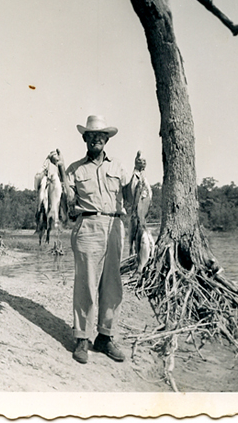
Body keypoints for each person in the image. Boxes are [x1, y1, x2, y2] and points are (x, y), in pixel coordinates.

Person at [53, 115, 146, 364]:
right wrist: (60, 167)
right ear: (85, 139)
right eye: (92, 136)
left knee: (113, 284)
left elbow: (130, 196)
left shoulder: (119, 168)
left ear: (107, 140)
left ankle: (105, 337)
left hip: (115, 225)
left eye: (101, 136)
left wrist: (138, 172)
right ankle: (82, 338)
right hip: (88, 226)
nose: (97, 139)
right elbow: (68, 202)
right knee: (86, 284)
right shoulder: (74, 169)